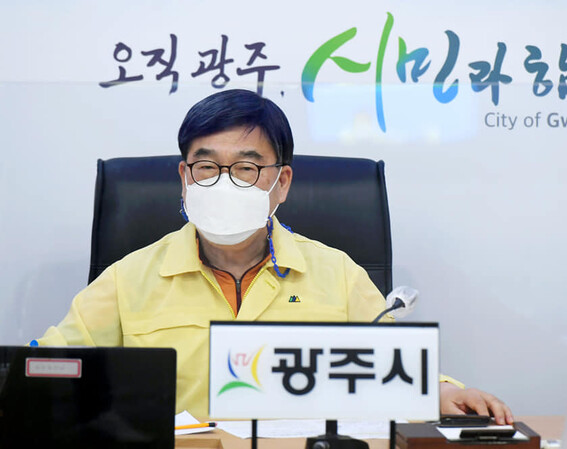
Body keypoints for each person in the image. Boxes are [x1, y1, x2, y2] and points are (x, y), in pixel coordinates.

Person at [36, 89, 513, 424]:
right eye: (206, 166)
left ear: (281, 183)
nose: (223, 182)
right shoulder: (128, 278)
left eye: (246, 167)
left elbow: (395, 372)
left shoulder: (337, 274)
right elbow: (50, 371)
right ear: (184, 178)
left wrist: (445, 392)